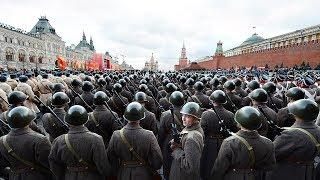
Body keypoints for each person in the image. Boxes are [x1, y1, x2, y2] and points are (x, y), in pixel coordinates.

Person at [211, 106, 275, 180]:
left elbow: (219, 168)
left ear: (239, 123)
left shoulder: (229, 143)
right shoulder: (268, 143)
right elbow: (269, 167)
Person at [49, 105, 110, 180]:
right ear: (86, 120)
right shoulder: (96, 139)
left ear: (67, 121)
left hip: (69, 176)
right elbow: (103, 166)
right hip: (92, 176)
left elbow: (54, 163)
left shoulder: (58, 140)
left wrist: (63, 176)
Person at [107, 102, 163, 180]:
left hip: (123, 173)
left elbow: (111, 158)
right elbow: (157, 161)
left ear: (125, 117)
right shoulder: (149, 135)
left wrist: (118, 171)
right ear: (141, 118)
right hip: (144, 173)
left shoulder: (116, 135)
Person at [267, 99, 320, 180]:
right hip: (309, 171)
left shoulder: (291, 134)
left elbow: (272, 153)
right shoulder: (318, 130)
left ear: (297, 115)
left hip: (289, 172)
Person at [0, 106, 53, 180]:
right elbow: (50, 164)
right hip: (38, 176)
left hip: (15, 176)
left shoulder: (2, 140)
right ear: (29, 122)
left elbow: (2, 165)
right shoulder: (40, 139)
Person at [169, 102, 204, 180]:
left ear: (196, 118)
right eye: (183, 115)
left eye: (187, 116)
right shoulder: (192, 127)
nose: (183, 119)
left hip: (183, 175)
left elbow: (189, 167)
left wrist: (176, 150)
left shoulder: (192, 138)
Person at [158, 91, 185, 179]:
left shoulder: (165, 115)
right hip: (185, 139)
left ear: (171, 101)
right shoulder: (188, 113)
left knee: (169, 165)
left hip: (169, 142)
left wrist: (160, 146)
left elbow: (161, 133)